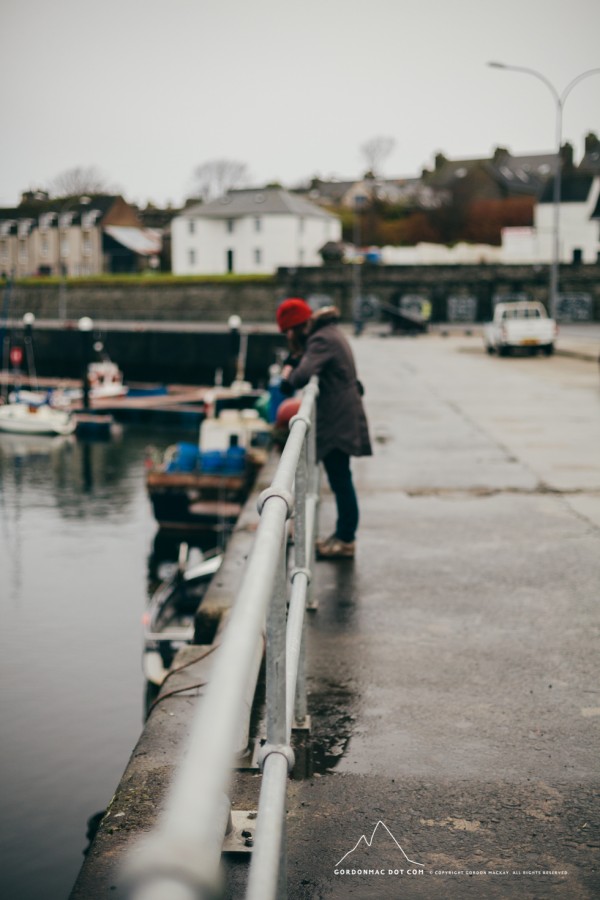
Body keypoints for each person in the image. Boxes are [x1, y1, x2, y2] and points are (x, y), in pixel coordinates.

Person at [276, 297, 372, 559]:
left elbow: (299, 377)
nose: (289, 337)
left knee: (341, 479)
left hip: (338, 418)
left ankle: (345, 539)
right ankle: (342, 536)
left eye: (289, 331)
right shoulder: (327, 333)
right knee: (342, 478)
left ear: (297, 327)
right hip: (342, 413)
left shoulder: (321, 340)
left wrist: (288, 372)